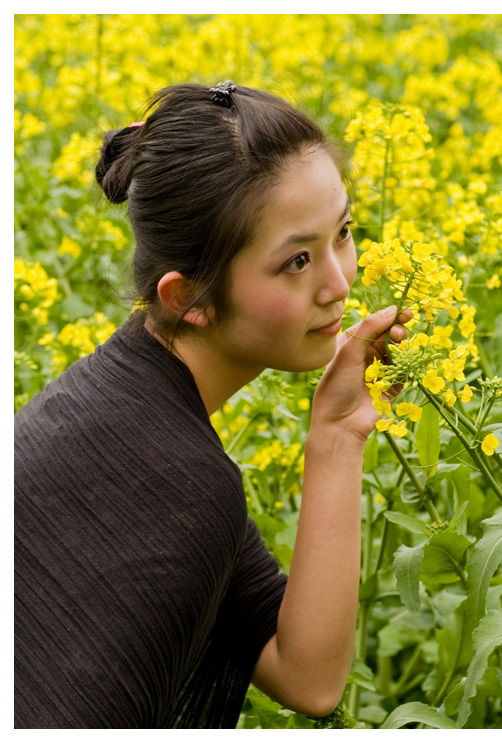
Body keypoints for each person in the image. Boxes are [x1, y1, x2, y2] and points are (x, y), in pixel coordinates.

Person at [14, 81, 408, 729]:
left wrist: (338, 432)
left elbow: (307, 676)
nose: (340, 282)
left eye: (344, 232)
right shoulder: (176, 474)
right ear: (187, 297)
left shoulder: (114, 399)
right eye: (298, 260)